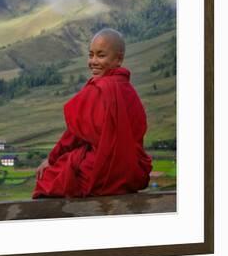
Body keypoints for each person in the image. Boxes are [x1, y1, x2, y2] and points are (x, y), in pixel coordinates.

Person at [32, 28, 153, 199]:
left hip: (102, 174)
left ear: (118, 59)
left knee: (48, 179)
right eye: (91, 55)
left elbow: (73, 135)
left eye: (101, 55)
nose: (93, 61)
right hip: (132, 174)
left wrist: (51, 160)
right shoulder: (129, 91)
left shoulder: (98, 89)